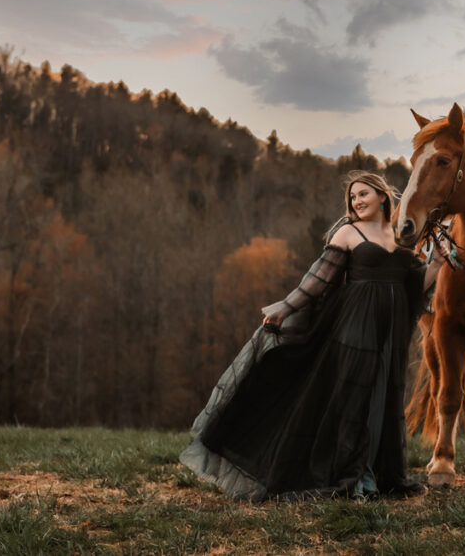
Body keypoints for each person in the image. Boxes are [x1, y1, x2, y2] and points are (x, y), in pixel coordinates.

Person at [179, 170, 446, 501]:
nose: (357, 201)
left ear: (381, 195)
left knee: (383, 398)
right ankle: (352, 475)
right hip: (354, 325)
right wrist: (284, 309)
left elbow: (412, 289)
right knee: (354, 399)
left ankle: (375, 471)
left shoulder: (403, 234)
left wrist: (435, 266)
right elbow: (318, 279)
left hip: (390, 330)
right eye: (353, 197)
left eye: (363, 194)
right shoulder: (347, 233)